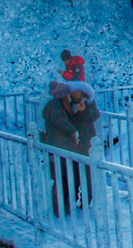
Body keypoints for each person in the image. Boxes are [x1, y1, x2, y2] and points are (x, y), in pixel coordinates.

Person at [42, 81, 101, 216]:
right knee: (69, 175)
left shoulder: (87, 103)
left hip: (85, 141)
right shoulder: (64, 104)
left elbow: (94, 115)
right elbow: (63, 120)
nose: (74, 94)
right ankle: (66, 204)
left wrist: (83, 111)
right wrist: (73, 129)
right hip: (71, 144)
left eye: (76, 92)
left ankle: (84, 201)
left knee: (85, 173)